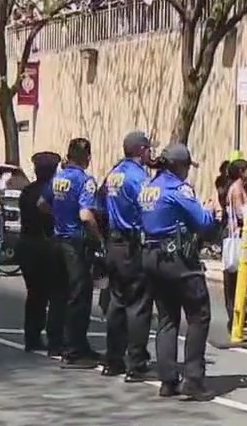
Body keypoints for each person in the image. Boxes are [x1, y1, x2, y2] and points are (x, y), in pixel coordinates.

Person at [138, 143, 218, 401]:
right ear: (180, 166)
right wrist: (211, 211)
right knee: (198, 314)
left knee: (167, 319)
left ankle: (167, 379)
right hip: (177, 259)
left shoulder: (149, 187)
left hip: (151, 255)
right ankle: (193, 379)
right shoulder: (177, 188)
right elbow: (203, 223)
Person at [42, 137, 103, 368]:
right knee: (79, 297)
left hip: (56, 240)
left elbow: (41, 203)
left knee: (58, 294)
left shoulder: (58, 178)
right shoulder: (85, 181)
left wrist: (58, 216)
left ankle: (55, 342)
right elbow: (86, 215)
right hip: (74, 244)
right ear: (86, 157)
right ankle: (74, 350)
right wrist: (98, 238)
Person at [99, 131, 154, 381]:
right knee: (138, 305)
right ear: (141, 149)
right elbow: (149, 208)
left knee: (117, 302)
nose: (150, 153)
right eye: (149, 149)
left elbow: (99, 205)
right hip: (132, 244)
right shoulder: (139, 177)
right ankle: (136, 362)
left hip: (113, 243)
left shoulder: (113, 173)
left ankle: (113, 359)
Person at [18, 151, 60, 352]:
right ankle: (54, 338)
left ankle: (31, 336)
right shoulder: (51, 191)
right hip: (46, 244)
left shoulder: (26, 191)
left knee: (34, 293)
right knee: (55, 293)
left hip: (27, 243)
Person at [222, 159, 247, 334]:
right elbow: (242, 213)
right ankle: (235, 319)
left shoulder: (239, 188)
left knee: (240, 279)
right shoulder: (236, 189)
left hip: (239, 236)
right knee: (234, 279)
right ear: (241, 172)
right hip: (235, 237)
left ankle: (240, 318)